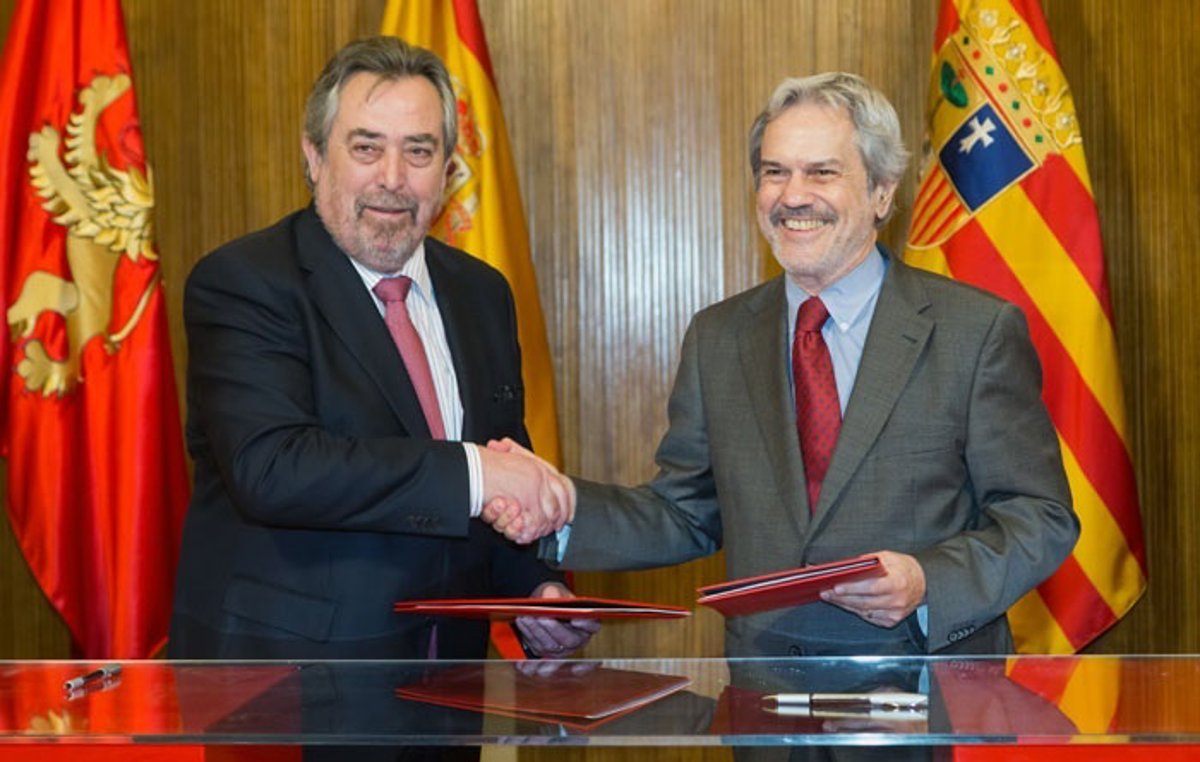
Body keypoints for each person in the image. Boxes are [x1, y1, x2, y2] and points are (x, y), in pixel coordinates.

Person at [486, 71, 1079, 660]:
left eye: (822, 172)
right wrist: (564, 507)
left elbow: (1040, 516)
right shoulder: (719, 337)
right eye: (775, 172)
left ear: (881, 192)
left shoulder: (975, 332)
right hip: (767, 694)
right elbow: (686, 512)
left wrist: (928, 581)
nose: (792, 196)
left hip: (926, 690)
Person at [168, 35, 594, 677]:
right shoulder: (244, 281)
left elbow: (498, 475)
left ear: (448, 170)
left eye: (418, 151)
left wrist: (535, 591)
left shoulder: (482, 294)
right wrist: (478, 473)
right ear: (315, 157)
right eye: (366, 148)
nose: (392, 178)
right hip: (288, 689)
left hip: (450, 683)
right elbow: (273, 468)